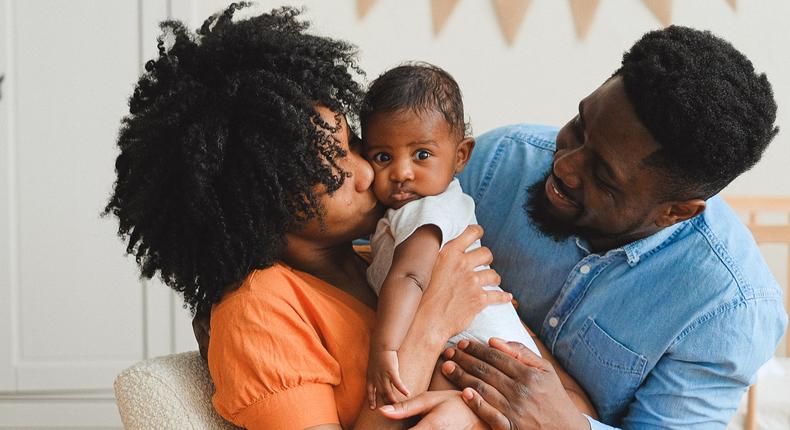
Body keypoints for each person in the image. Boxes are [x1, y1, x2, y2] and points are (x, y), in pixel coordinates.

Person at [107, 4, 594, 429]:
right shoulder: (258, 308)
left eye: (356, 146)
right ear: (264, 205)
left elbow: (566, 403)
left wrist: (466, 410)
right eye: (336, 174)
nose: (369, 174)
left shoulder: (385, 253)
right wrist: (432, 323)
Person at [379, 26, 788, 429]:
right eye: (579, 127)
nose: (564, 165)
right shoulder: (498, 163)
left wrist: (565, 425)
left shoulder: (730, 307)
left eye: (603, 175)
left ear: (675, 212)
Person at [359, 63, 539, 407]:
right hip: (484, 353)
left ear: (460, 155)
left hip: (484, 352)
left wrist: (384, 349)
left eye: (421, 154)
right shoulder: (419, 208)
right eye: (383, 157)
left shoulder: (425, 209)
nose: (401, 172)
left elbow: (411, 276)